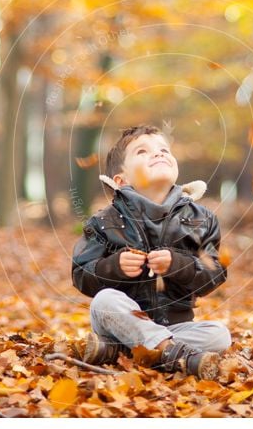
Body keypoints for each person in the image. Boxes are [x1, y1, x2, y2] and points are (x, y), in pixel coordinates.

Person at [71, 125, 231, 380]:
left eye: (164, 150)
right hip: (120, 323)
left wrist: (179, 264)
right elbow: (81, 273)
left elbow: (215, 271)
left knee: (220, 334)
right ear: (121, 180)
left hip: (174, 325)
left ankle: (116, 351)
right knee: (104, 301)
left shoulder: (201, 220)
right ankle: (174, 354)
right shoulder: (104, 221)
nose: (158, 154)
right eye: (142, 152)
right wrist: (112, 267)